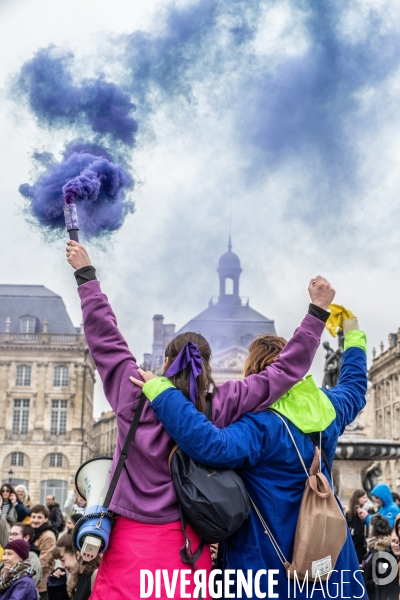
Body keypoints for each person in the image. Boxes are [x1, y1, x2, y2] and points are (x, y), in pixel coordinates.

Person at [65, 240, 334, 599]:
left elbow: (104, 335)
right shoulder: (222, 403)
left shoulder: (132, 393)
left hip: (130, 547)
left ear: (164, 363)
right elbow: (284, 371)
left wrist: (86, 274)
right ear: (207, 369)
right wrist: (316, 312)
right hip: (187, 551)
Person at [134, 314, 368, 598]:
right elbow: (355, 386)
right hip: (331, 562)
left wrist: (162, 393)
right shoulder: (331, 408)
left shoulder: (261, 427)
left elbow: (210, 444)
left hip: (268, 569)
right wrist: (353, 332)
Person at [47, 534, 100, 600]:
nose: (62, 566)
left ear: (77, 554)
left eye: (63, 560)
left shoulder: (94, 578)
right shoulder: (78, 576)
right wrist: (58, 587)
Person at [362, 515, 393, 600]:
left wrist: (365, 582)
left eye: (370, 527)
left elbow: (382, 579)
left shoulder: (383, 552)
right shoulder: (373, 548)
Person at [31, 505, 57, 600]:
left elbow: (42, 563)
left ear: (46, 519)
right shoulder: (33, 532)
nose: (35, 520)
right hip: (31, 581)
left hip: (41, 585)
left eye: (39, 517)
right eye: (33, 517)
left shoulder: (48, 536)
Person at [346, 488, 374, 563]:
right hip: (355, 543)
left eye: (366, 497)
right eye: (363, 497)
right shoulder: (350, 512)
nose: (366, 499)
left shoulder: (370, 510)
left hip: (367, 542)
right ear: (357, 498)